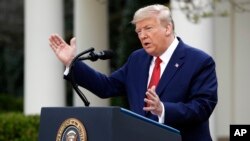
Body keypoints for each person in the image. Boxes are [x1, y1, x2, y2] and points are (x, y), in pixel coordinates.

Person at [49, 4, 217, 141]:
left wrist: (163, 109)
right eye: (138, 31)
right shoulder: (138, 59)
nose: (142, 36)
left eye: (148, 28)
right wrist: (73, 62)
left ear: (167, 28)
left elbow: (202, 107)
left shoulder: (199, 61)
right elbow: (106, 87)